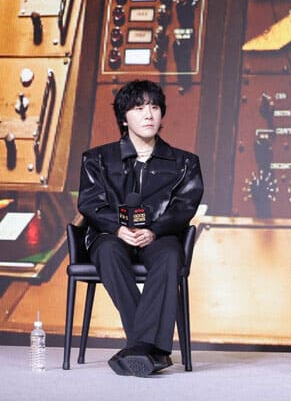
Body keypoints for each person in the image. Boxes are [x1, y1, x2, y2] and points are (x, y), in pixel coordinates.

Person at [76, 80, 203, 377]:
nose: (148, 115)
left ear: (162, 115)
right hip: (111, 235)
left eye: (154, 107)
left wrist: (155, 230)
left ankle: (137, 348)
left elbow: (185, 206)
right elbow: (90, 202)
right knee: (107, 251)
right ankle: (150, 348)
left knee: (170, 256)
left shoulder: (185, 162)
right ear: (124, 118)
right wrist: (118, 228)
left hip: (158, 236)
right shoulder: (96, 159)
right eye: (139, 108)